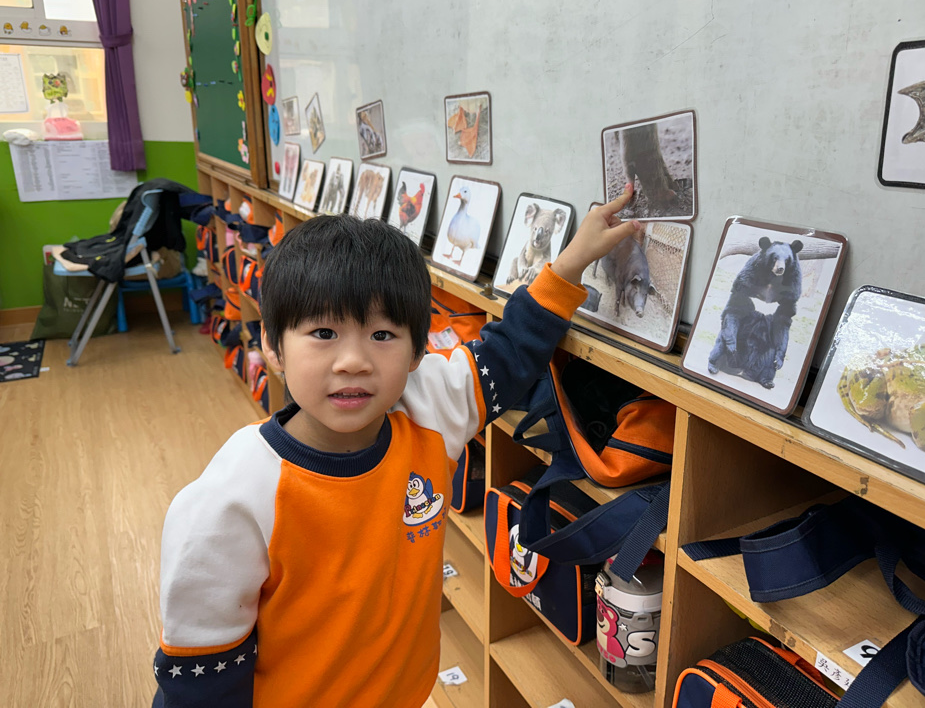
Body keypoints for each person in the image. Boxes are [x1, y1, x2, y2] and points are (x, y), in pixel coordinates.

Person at [152, 189, 639, 708]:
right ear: (273, 347)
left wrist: (570, 263)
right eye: (323, 332)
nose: (354, 361)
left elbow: (507, 353)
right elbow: (199, 683)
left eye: (382, 335)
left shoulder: (428, 406)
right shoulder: (229, 502)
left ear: (417, 351)